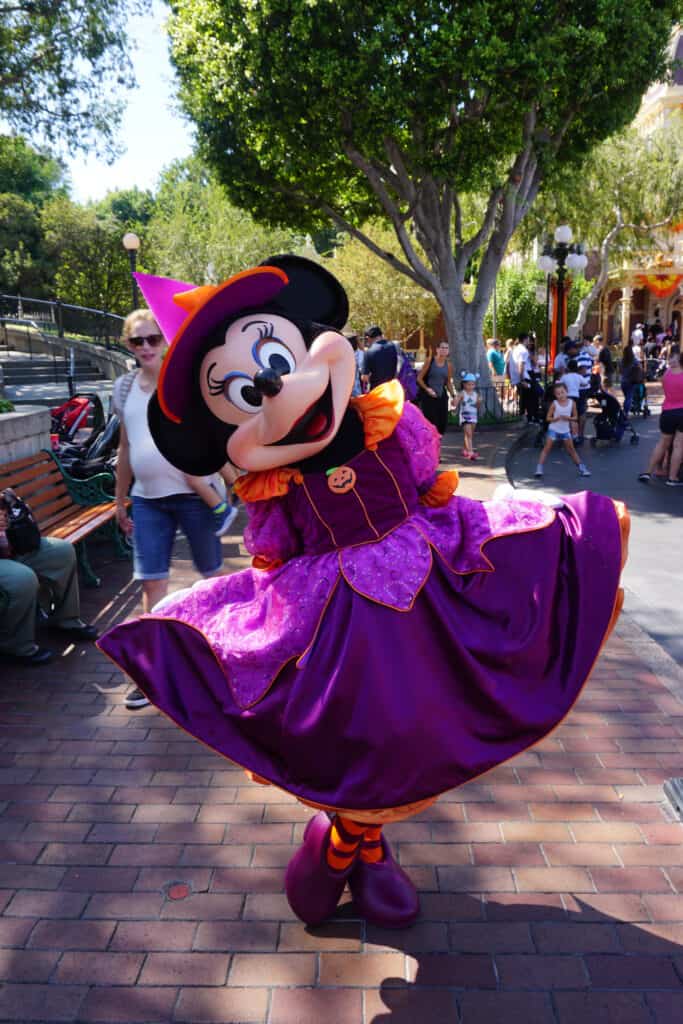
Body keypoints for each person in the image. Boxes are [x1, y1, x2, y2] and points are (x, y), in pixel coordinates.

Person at [98, 255, 628, 932]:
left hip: (420, 582)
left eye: (273, 353)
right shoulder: (275, 483)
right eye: (239, 391)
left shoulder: (385, 422)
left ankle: (351, 843)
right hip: (338, 618)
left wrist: (489, 537)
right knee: (363, 734)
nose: (270, 384)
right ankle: (357, 843)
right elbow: (276, 554)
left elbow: (425, 491)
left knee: (421, 722)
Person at [114, 309, 234, 710]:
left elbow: (213, 435)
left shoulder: (183, 383)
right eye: (137, 341)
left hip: (193, 497)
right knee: (152, 584)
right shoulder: (124, 387)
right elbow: (126, 448)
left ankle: (222, 659)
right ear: (127, 345)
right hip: (148, 501)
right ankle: (156, 674)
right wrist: (119, 500)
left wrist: (235, 482)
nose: (146, 347)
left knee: (212, 577)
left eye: (153, 339)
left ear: (165, 341)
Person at [0, 512, 98, 665]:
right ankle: (15, 647)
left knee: (62, 551)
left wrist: (9, 516)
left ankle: (66, 621)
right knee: (21, 578)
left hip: (11, 547)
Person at [638, 344, 683, 486]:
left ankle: (647, 472)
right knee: (678, 445)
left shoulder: (666, 375)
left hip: (667, 411)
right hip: (681, 412)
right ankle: (672, 478)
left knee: (663, 443)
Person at [535, 381, 591, 479]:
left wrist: (568, 418)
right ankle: (539, 468)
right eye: (558, 393)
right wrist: (555, 419)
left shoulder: (572, 403)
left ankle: (582, 468)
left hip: (565, 430)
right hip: (554, 429)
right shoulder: (554, 403)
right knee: (546, 449)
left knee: (571, 450)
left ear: (566, 392)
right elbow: (548, 418)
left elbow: (575, 417)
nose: (560, 395)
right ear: (555, 395)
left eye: (562, 392)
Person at [416, 340, 455, 435]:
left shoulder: (449, 365)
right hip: (429, 397)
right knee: (431, 423)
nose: (444, 350)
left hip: (442, 396)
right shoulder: (430, 361)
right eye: (442, 348)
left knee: (442, 423)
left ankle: (438, 445)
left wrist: (454, 395)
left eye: (446, 348)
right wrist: (427, 389)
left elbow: (448, 382)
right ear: (437, 349)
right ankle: (430, 446)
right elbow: (419, 378)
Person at [452, 372, 482, 459]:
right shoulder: (462, 393)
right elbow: (455, 402)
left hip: (473, 416)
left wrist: (478, 402)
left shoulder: (475, 394)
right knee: (468, 434)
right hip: (464, 416)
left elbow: (477, 406)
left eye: (472, 384)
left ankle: (465, 449)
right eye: (468, 384)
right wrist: (455, 401)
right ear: (464, 384)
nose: (470, 386)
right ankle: (470, 452)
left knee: (469, 434)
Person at [361, 325, 397, 390]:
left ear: (368, 338)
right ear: (381, 335)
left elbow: (364, 377)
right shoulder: (393, 347)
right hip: (392, 389)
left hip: (377, 391)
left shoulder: (369, 352)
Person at [619, 343, 643, 417]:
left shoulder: (622, 361)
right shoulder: (634, 361)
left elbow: (620, 371)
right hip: (631, 381)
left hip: (623, 382)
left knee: (627, 397)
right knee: (629, 397)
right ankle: (625, 412)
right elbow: (640, 367)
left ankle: (626, 409)